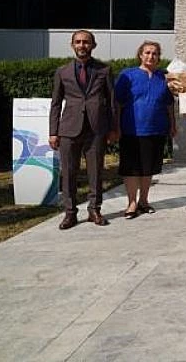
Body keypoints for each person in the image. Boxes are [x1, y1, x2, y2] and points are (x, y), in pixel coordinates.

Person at [48, 30, 118, 229]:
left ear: (93, 45)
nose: (82, 45)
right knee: (69, 172)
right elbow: (55, 103)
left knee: (95, 172)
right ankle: (70, 213)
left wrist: (113, 128)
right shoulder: (62, 72)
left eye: (86, 42)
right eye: (78, 42)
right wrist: (53, 131)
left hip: (96, 129)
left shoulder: (104, 70)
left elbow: (112, 102)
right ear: (72, 45)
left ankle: (94, 210)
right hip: (69, 129)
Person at [114, 40, 176, 219]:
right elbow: (117, 103)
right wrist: (116, 126)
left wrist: (172, 124)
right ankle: (132, 202)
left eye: (155, 53)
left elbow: (169, 104)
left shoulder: (164, 78)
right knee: (132, 168)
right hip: (131, 129)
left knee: (148, 168)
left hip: (156, 129)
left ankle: (144, 200)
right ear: (140, 55)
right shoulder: (128, 75)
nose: (151, 56)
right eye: (147, 53)